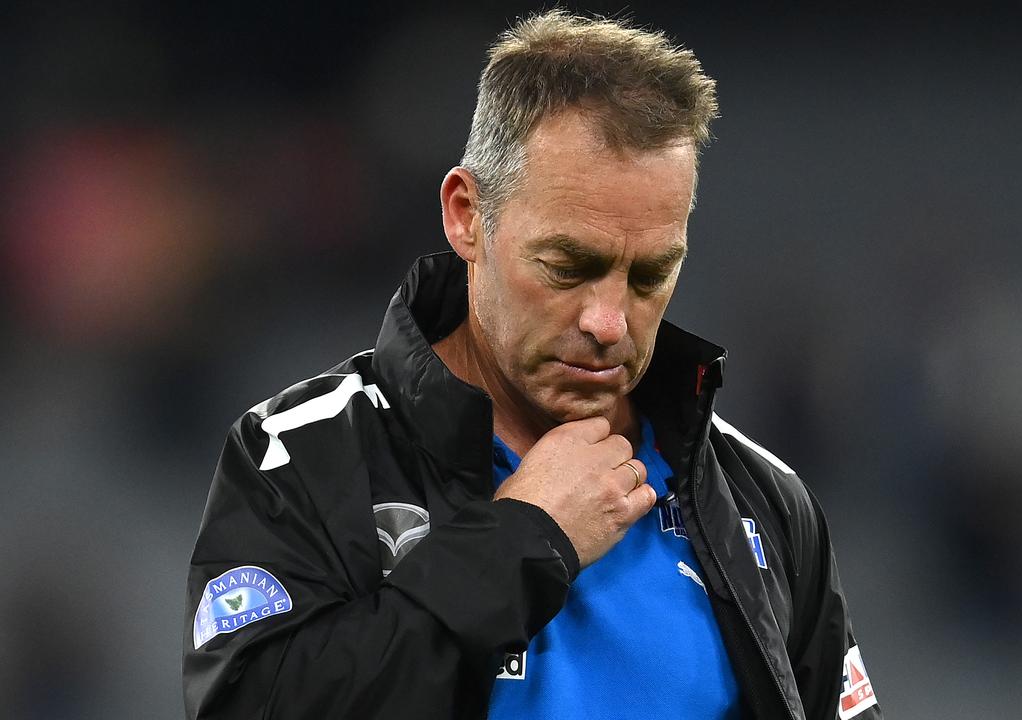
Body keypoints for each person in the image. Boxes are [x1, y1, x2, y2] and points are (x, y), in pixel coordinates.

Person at [183, 10, 881, 720]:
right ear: (465, 216)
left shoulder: (762, 501)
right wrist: (525, 538)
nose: (608, 323)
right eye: (567, 266)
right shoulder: (304, 458)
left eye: (648, 277)